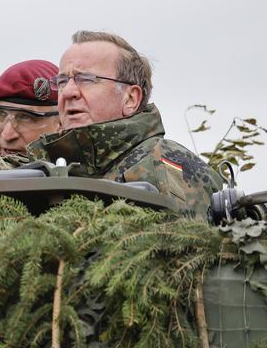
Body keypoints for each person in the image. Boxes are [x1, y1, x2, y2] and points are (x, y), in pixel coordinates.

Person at [25, 30, 222, 219]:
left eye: (85, 79)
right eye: (61, 81)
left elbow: (181, 246)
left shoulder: (165, 164)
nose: (68, 92)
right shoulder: (52, 164)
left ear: (130, 99)